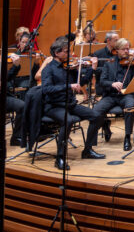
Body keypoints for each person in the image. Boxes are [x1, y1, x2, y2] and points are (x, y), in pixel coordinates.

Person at [41, 35, 106, 169]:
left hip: (70, 104)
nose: (70, 54)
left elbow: (80, 83)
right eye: (66, 51)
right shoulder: (49, 69)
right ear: (57, 53)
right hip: (54, 106)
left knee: (96, 116)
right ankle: (60, 157)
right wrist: (68, 86)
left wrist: (91, 69)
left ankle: (87, 150)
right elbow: (46, 89)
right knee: (68, 120)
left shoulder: (69, 67)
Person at [90, 38, 134, 152]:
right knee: (95, 110)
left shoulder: (132, 63)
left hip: (126, 95)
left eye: (128, 49)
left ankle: (127, 137)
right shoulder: (109, 63)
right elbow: (102, 81)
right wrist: (112, 83)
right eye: (124, 49)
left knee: (130, 107)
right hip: (110, 95)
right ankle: (90, 145)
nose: (127, 51)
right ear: (117, 50)